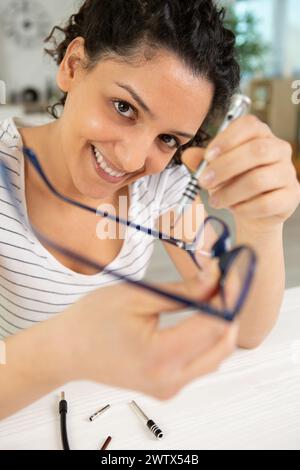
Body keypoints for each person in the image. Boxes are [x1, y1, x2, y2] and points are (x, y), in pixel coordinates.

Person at [0, 0, 299, 420]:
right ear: (73, 65)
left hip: (104, 412)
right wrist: (66, 350)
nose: (131, 160)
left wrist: (262, 225)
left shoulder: (160, 189)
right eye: (124, 107)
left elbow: (246, 327)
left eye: (169, 139)